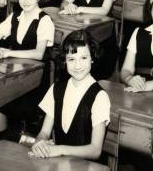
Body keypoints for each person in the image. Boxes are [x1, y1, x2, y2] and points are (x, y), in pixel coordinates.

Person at [0, 0, 55, 134]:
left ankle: (3, 140)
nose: (25, 1)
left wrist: (8, 52)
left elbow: (39, 54)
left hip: (36, 80)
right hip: (14, 73)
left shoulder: (44, 20)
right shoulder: (14, 17)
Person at [31, 30, 110, 160]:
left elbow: (95, 150)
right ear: (65, 61)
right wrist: (40, 143)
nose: (77, 65)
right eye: (71, 59)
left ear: (92, 58)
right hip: (59, 163)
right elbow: (44, 132)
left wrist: (61, 149)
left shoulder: (99, 96)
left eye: (83, 58)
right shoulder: (56, 89)